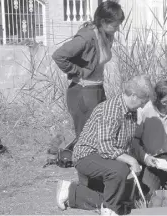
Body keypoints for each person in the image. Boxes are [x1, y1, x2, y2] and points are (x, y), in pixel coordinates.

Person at [55, 75, 158, 215]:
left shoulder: (131, 111)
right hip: (87, 155)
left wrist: (144, 158)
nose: (143, 105)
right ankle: (110, 209)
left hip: (103, 157)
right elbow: (106, 148)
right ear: (133, 96)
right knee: (119, 171)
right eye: (142, 101)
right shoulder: (111, 110)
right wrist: (131, 160)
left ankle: (72, 191)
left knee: (125, 196)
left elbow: (128, 143)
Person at [52, 1, 125, 151]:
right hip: (83, 91)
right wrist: (78, 72)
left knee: (101, 132)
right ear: (104, 21)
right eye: (115, 25)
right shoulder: (86, 37)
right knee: (87, 138)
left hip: (97, 88)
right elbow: (59, 55)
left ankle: (95, 169)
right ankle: (85, 171)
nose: (117, 29)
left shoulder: (105, 35)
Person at [131, 80, 167, 196]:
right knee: (148, 195)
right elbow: (134, 141)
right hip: (150, 161)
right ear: (164, 102)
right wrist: (145, 157)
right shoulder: (143, 111)